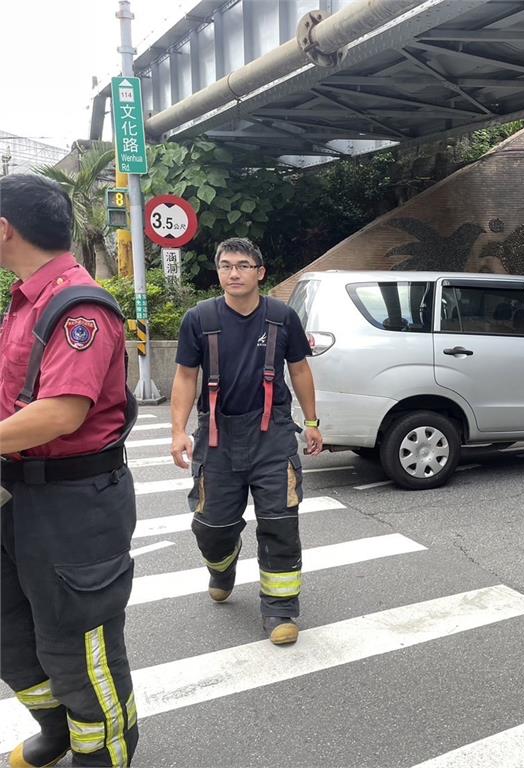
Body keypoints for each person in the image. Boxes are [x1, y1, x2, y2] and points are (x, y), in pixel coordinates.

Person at [0, 174, 139, 767]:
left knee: (78, 645)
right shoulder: (25, 299)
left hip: (73, 504)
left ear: (3, 230)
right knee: (11, 635)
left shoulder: (77, 306)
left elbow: (61, 412)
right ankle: (57, 729)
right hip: (17, 497)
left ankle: (104, 750)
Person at [169, 237, 323, 646]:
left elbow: (301, 369)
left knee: (280, 524)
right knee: (211, 527)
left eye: (242, 265)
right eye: (225, 266)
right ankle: (222, 566)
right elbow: (186, 377)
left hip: (272, 437)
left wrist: (311, 422)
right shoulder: (199, 319)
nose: (233, 273)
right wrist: (178, 431)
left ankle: (280, 610)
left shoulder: (281, 317)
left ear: (260, 272)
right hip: (217, 438)